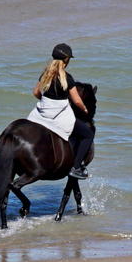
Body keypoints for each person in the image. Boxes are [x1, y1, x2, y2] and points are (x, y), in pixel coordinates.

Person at [32, 42, 94, 179]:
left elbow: (36, 92)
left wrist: (44, 100)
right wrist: (84, 109)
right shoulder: (67, 78)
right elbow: (77, 101)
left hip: (42, 112)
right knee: (88, 135)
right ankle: (76, 167)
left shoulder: (45, 75)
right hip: (59, 114)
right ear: (66, 61)